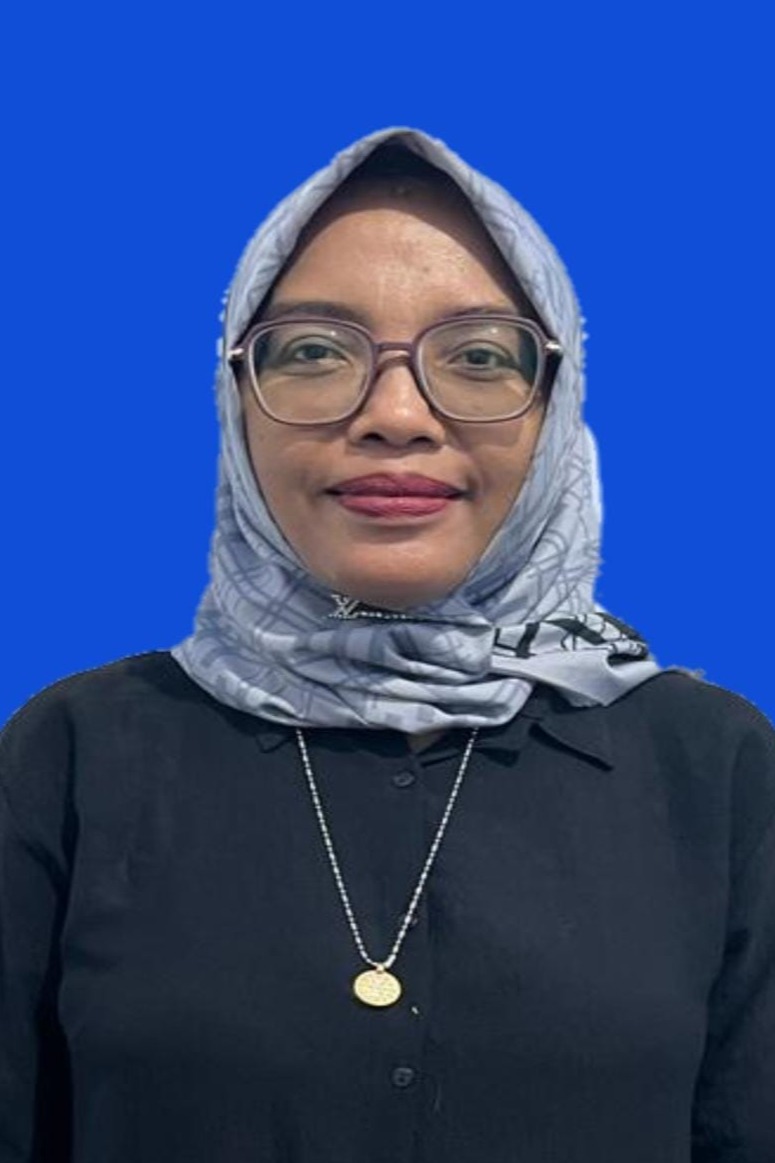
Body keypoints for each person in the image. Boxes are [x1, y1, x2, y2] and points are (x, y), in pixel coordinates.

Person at [1, 127, 774, 1163]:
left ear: (558, 407)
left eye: (480, 356)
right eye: (315, 351)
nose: (396, 414)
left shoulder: (712, 764)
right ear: (235, 401)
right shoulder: (74, 753)